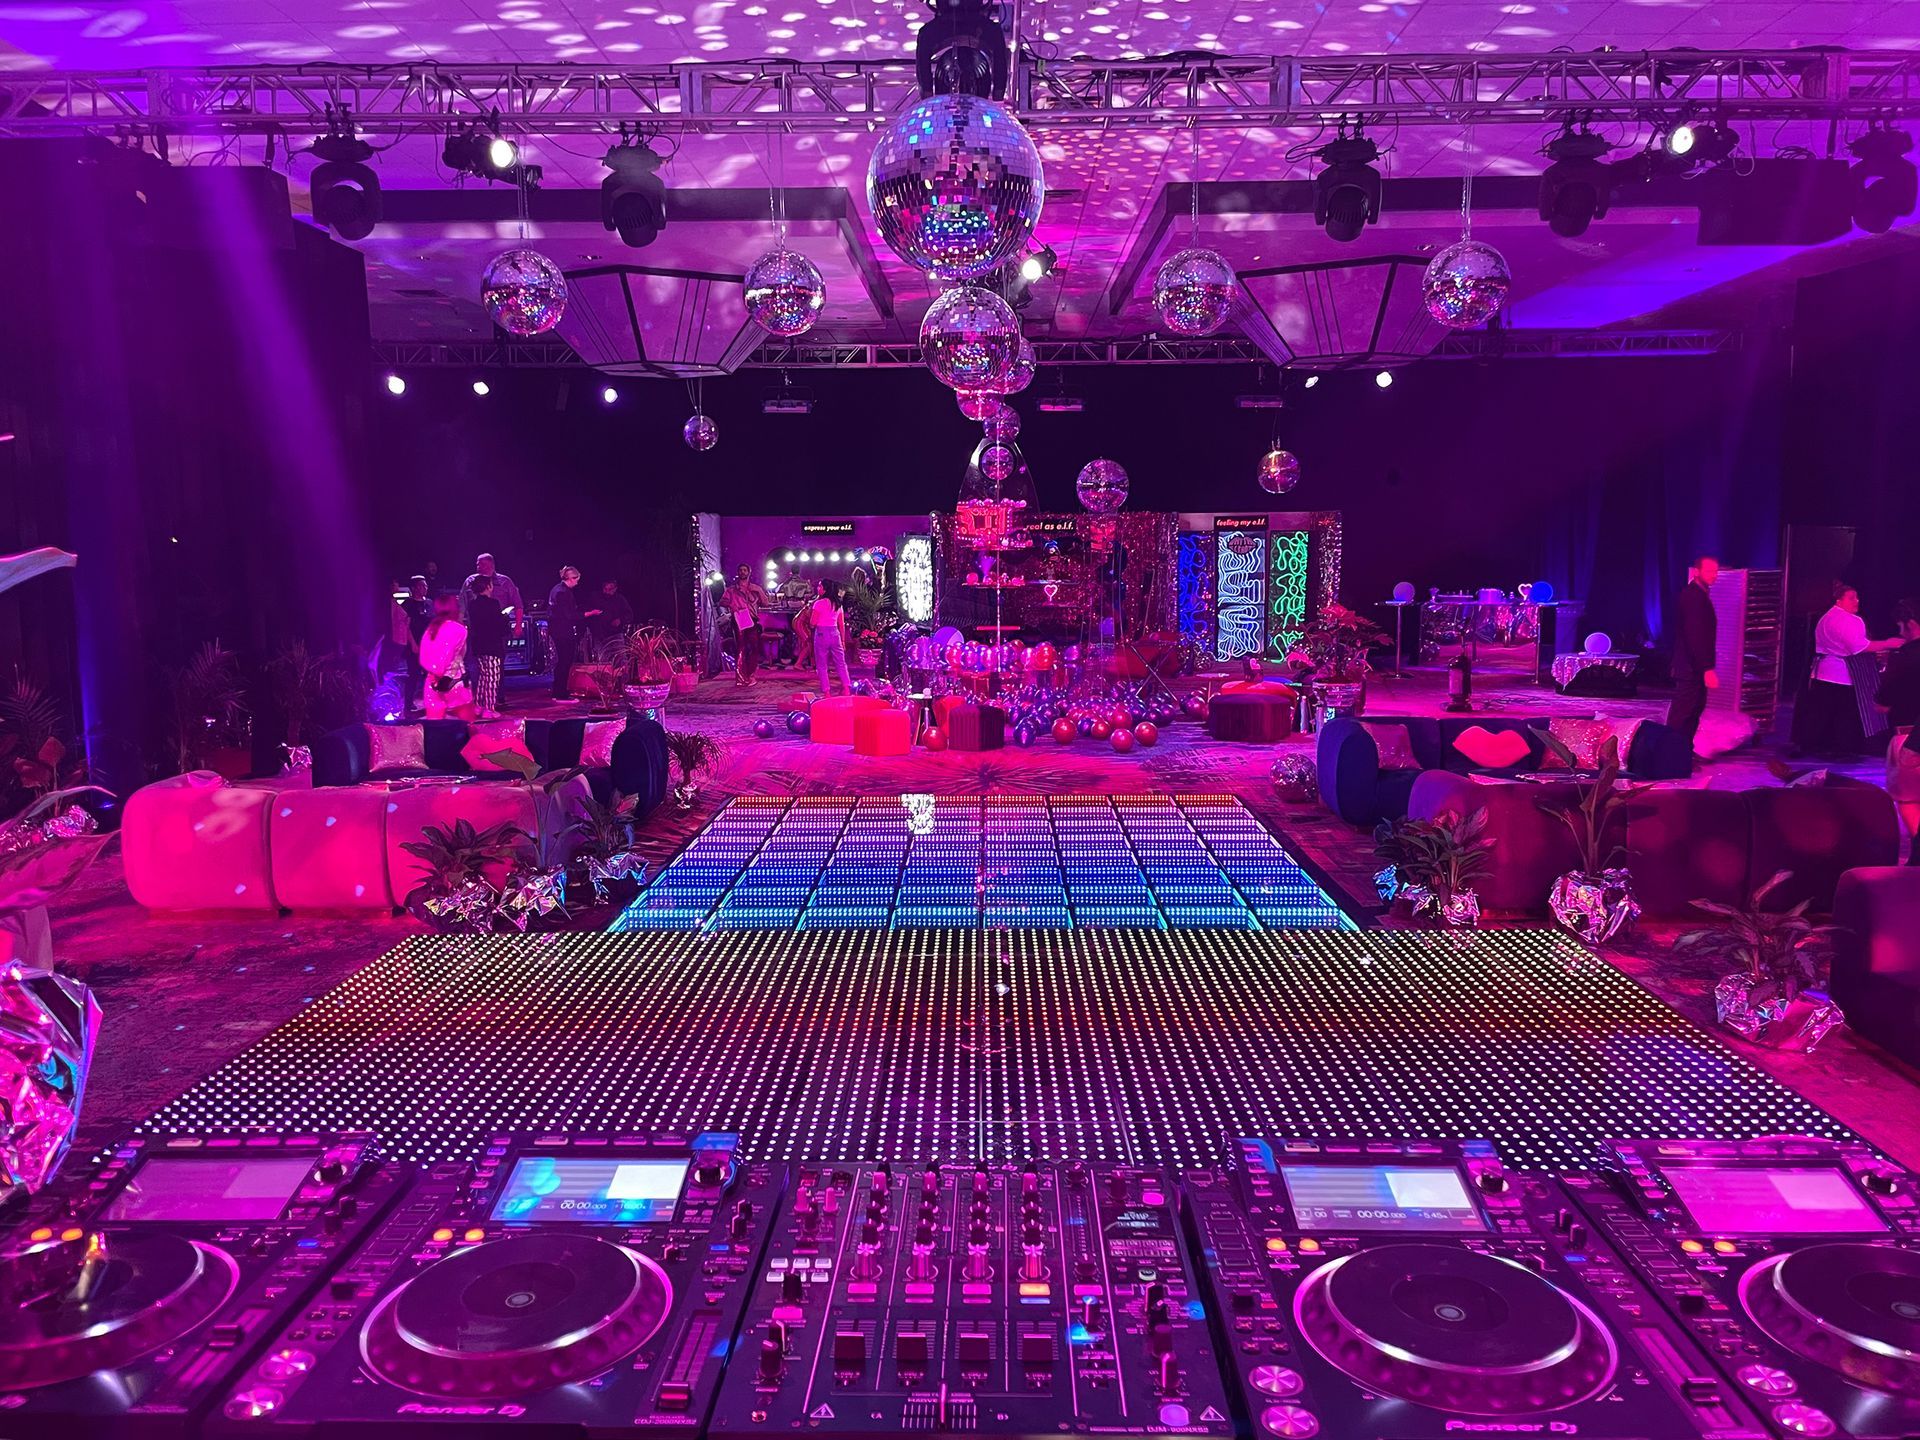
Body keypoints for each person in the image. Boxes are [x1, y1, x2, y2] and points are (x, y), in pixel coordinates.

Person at [1796, 582, 1903, 756]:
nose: (1857, 601)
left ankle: (1813, 745)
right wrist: (1888, 643)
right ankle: (1843, 750)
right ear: (1839, 600)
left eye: (1857, 597)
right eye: (1852, 598)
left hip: (1823, 672)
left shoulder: (1826, 617)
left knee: (1821, 712)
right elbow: (1858, 647)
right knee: (1845, 713)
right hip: (1841, 675)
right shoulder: (1848, 620)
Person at [1875, 598, 1920, 861]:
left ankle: (1917, 852)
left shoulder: (1904, 658)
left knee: (1908, 798)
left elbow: (1881, 705)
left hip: (1908, 737)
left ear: (1910, 624)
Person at [1667, 554, 1719, 766]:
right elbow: (1695, 635)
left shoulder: (1700, 594)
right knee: (1684, 712)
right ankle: (1670, 754)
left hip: (1693, 666)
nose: (1713, 576)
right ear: (1696, 571)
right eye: (1709, 571)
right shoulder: (1693, 597)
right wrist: (1706, 668)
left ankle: (1683, 752)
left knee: (1693, 710)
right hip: (1690, 667)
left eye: (1715, 571)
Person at [418, 594, 472, 720]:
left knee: (435, 727)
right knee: (467, 725)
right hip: (454, 681)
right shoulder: (459, 629)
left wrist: (435, 673)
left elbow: (423, 658)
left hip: (432, 681)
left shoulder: (430, 630)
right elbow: (457, 655)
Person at [467, 574, 511, 720]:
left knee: (483, 677)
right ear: (487, 587)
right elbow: (497, 624)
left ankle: (479, 705)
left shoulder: (472, 604)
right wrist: (505, 617)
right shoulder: (493, 603)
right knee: (492, 678)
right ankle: (489, 708)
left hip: (479, 644)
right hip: (492, 644)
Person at [721, 565, 771, 687]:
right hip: (739, 618)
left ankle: (750, 674)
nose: (742, 572)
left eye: (745, 570)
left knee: (754, 647)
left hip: (752, 619)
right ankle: (740, 677)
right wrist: (731, 604)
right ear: (738, 572)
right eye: (740, 570)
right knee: (741, 648)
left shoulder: (755, 588)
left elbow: (765, 602)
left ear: (749, 572)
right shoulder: (732, 590)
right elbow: (722, 601)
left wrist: (759, 593)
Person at [547, 565, 585, 701]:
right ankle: (560, 692)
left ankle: (559, 690)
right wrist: (586, 614)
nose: (577, 582)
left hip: (559, 630)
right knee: (565, 661)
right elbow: (568, 615)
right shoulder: (562, 592)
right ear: (571, 578)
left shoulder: (558, 590)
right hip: (562, 631)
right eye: (577, 579)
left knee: (563, 661)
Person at [810, 579, 854, 697]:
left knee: (822, 664)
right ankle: (846, 688)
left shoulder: (818, 604)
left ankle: (827, 691)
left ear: (825, 589)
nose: (818, 588)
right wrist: (843, 641)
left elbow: (812, 623)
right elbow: (841, 624)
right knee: (841, 663)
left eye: (820, 586)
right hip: (835, 634)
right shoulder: (838, 604)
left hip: (821, 634)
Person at [462, 553, 524, 630]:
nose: (479, 567)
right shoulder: (470, 580)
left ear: (492, 565)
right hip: (475, 629)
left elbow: (518, 605)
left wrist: (518, 625)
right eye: (478, 565)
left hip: (499, 630)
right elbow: (461, 605)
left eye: (482, 564)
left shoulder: (505, 581)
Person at [400, 574, 431, 714]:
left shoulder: (429, 603)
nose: (425, 588)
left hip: (428, 644)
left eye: (426, 585)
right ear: (414, 588)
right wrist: (413, 643)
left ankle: (429, 701)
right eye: (421, 585)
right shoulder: (408, 604)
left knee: (429, 674)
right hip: (414, 644)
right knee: (413, 674)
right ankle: (408, 703)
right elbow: (405, 626)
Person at [586, 579, 634, 645]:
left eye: (610, 589)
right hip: (599, 636)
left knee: (619, 654)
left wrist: (620, 620)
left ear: (615, 589)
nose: (607, 592)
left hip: (615, 635)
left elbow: (629, 615)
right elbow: (587, 611)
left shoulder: (620, 599)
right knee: (602, 655)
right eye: (605, 589)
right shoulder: (595, 597)